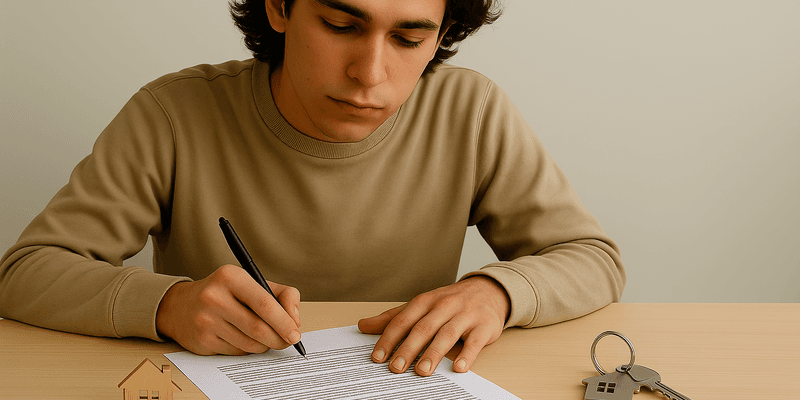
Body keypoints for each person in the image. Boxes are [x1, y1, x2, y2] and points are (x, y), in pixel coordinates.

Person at [0, 0, 624, 377]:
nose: (370, 74)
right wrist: (168, 305)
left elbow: (593, 259)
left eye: (409, 39)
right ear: (279, 8)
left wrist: (496, 292)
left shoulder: (471, 109)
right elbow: (25, 272)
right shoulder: (174, 112)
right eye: (339, 24)